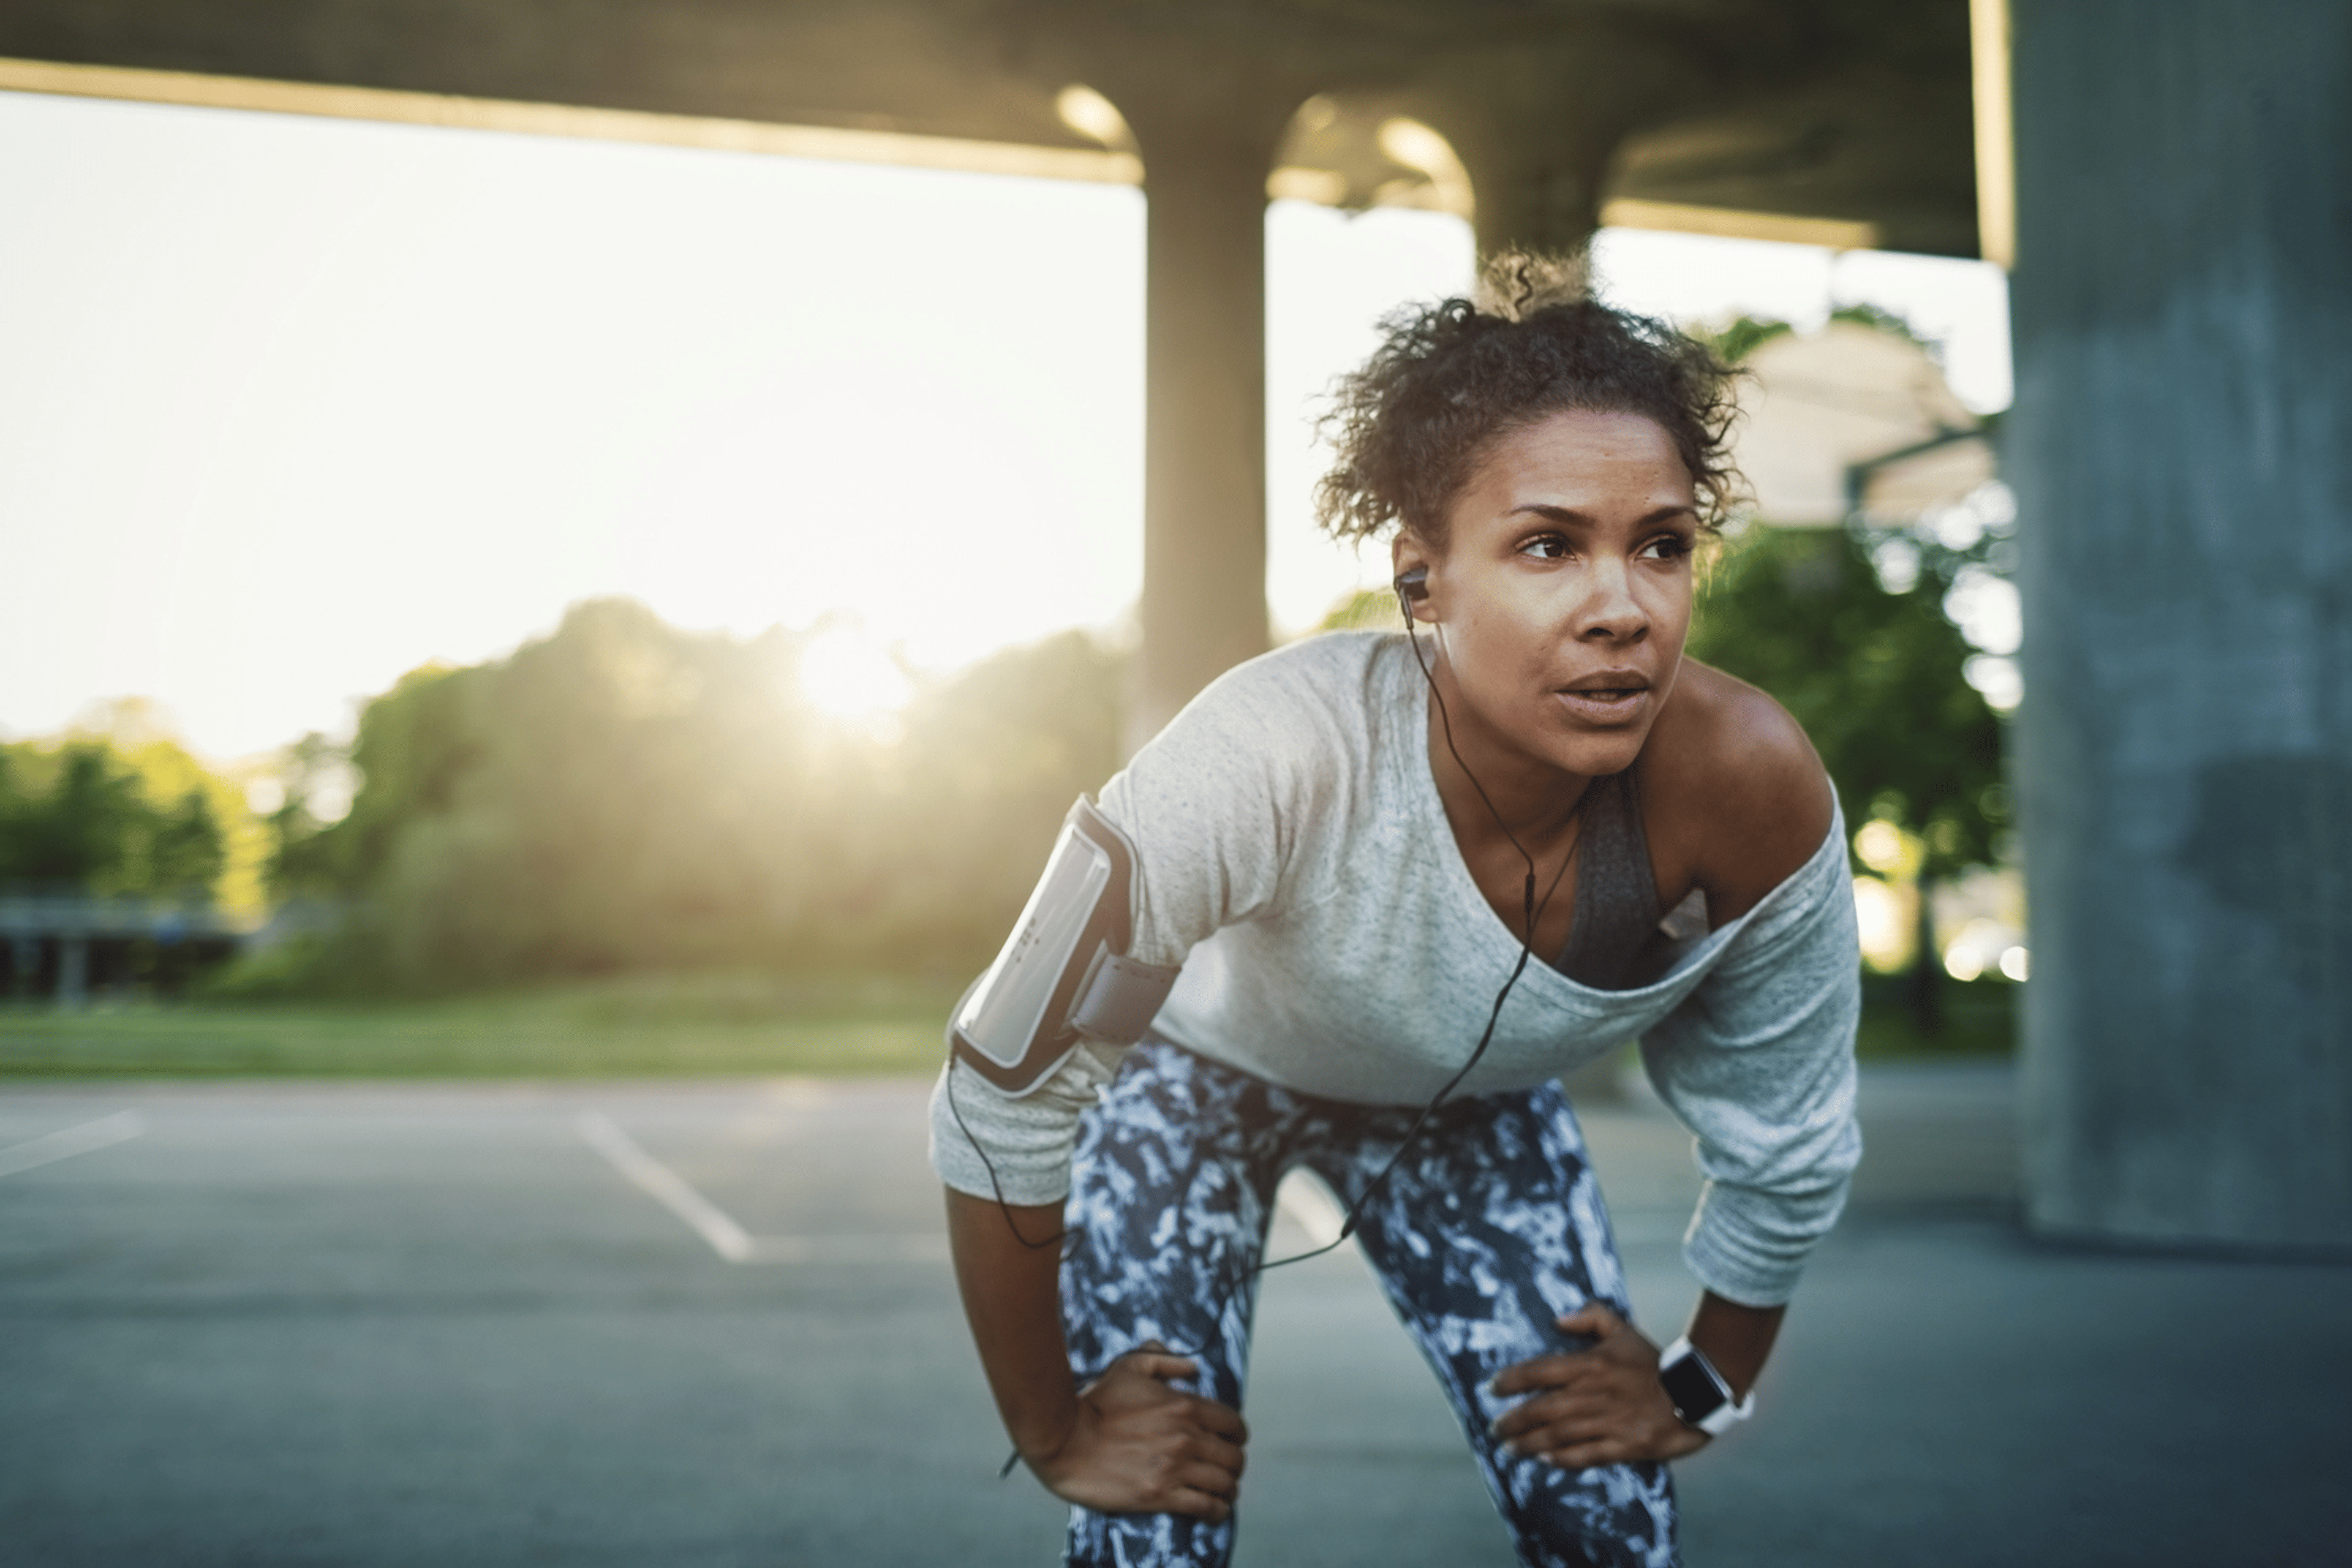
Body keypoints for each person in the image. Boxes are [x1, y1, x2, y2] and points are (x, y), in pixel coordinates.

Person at [930, 252, 1861, 1568]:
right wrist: (1051, 1426)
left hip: (1469, 1116)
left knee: (1609, 1515)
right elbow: (1005, 1077)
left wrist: (1703, 1378)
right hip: (1198, 1084)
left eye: (1660, 545)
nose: (1623, 608)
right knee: (1151, 1527)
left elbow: (1791, 1131)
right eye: (1548, 544)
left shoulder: (1746, 784)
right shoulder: (1270, 752)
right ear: (1424, 579)